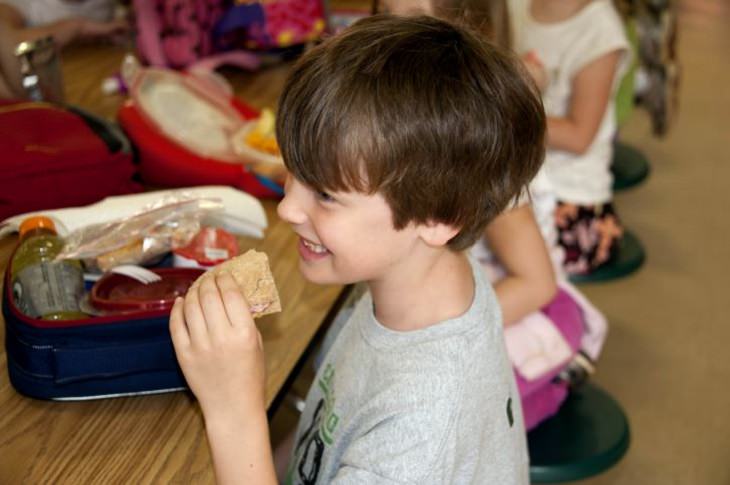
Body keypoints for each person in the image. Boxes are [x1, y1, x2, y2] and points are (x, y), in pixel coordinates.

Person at [169, 14, 546, 484]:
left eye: (325, 194)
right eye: (295, 173)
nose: (287, 209)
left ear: (437, 218)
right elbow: (323, 440)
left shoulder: (421, 432)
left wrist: (233, 413)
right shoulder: (418, 283)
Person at [379, 0, 607, 429]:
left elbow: (536, 284)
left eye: (409, 29)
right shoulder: (424, 129)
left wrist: (427, 335)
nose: (384, 50)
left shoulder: (481, 155)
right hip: (456, 297)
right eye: (384, 22)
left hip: (514, 311)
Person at [509, 0, 631, 275]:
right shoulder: (516, 5)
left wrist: (502, 111)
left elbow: (579, 136)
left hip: (573, 199)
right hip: (523, 182)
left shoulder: (600, 30)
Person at [0, 0, 127, 99]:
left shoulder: (105, 4)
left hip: (92, 87)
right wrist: (77, 27)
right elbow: (9, 47)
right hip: (44, 95)